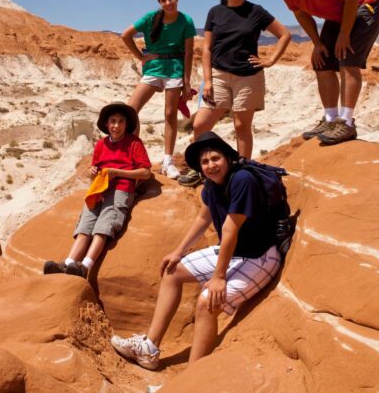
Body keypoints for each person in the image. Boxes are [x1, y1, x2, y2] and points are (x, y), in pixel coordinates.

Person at [111, 132, 282, 370]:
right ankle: (149, 348)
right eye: (205, 162)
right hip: (233, 253)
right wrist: (179, 252)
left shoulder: (242, 180)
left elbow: (231, 230)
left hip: (259, 257)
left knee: (207, 301)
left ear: (227, 158)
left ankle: (192, 379)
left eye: (215, 158)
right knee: (173, 271)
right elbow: (205, 216)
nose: (211, 165)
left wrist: (219, 277)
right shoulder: (212, 184)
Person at [179, 0, 290, 187]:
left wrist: (270, 60)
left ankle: (243, 171)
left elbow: (284, 34)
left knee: (241, 126)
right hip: (219, 75)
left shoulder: (255, 11)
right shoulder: (215, 12)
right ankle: (200, 168)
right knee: (201, 125)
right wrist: (208, 81)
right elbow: (208, 48)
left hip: (248, 77)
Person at [263, 0, 379, 145]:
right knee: (322, 62)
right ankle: (329, 119)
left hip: (364, 7)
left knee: (347, 61)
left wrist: (344, 35)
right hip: (337, 15)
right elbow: (300, 14)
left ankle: (346, 123)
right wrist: (317, 43)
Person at [43, 102, 152, 278]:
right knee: (85, 226)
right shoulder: (101, 145)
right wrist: (93, 172)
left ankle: (85, 266)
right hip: (99, 189)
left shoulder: (134, 143)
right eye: (113, 121)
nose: (116, 126)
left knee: (104, 225)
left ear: (126, 125)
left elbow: (146, 172)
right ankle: (69, 263)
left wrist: (117, 172)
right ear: (107, 124)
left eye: (121, 122)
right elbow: (96, 170)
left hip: (121, 190)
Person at [121, 0, 196, 179]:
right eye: (163, 0)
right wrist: (140, 56)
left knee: (170, 114)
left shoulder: (186, 21)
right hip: (153, 69)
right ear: (159, 2)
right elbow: (125, 35)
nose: (168, 3)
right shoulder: (150, 18)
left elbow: (188, 53)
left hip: (175, 70)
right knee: (131, 111)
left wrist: (186, 81)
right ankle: (132, 157)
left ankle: (168, 161)